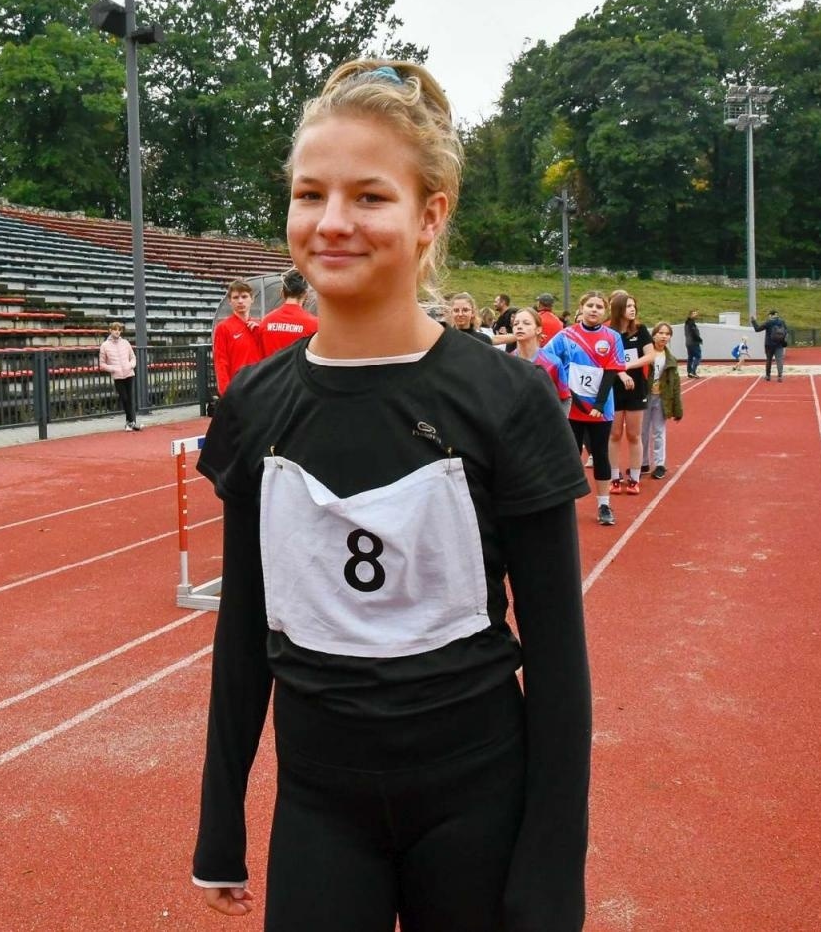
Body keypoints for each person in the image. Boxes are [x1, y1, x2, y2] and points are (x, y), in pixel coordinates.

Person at [193, 59, 591, 932]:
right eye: (310, 195)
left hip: (477, 803)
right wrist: (219, 823)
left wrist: (553, 874)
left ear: (429, 215)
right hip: (318, 807)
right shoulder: (258, 405)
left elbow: (560, 663)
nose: (332, 223)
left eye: (369, 197)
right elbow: (244, 627)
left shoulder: (505, 400)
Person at [544, 289, 629, 528]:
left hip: (601, 408)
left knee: (601, 455)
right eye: (589, 305)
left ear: (605, 311)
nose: (594, 310)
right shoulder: (566, 335)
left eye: (599, 306)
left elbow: (612, 370)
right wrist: (571, 397)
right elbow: (547, 360)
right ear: (581, 308)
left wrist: (599, 405)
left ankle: (603, 504)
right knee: (570, 455)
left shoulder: (612, 337)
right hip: (572, 407)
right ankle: (565, 504)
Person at [605, 290, 653, 496]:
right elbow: (604, 360)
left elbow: (650, 356)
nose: (632, 310)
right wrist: (620, 371)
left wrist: (628, 365)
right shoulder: (608, 332)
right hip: (613, 388)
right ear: (618, 310)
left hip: (636, 388)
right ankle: (614, 478)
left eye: (634, 306)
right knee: (614, 434)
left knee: (634, 434)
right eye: (628, 306)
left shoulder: (640, 331)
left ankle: (634, 478)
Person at [641, 323, 683, 481]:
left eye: (667, 333)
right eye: (661, 333)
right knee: (642, 431)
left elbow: (675, 385)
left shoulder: (671, 359)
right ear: (654, 335)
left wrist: (677, 408)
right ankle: (643, 462)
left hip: (662, 398)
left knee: (659, 431)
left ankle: (659, 464)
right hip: (644, 397)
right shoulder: (646, 354)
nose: (664, 336)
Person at [511, 307, 569, 415]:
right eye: (516, 324)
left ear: (538, 329)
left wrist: (560, 426)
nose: (519, 326)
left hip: (545, 426)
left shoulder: (553, 362)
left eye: (526, 323)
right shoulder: (507, 361)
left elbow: (565, 398)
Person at [213, 279, 263, 395]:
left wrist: (259, 333)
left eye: (244, 296)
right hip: (237, 390)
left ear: (252, 299)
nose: (240, 301)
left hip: (259, 387)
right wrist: (226, 393)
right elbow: (221, 363)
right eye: (236, 297)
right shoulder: (223, 328)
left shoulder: (260, 326)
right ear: (230, 301)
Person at [257, 270, 319, 358]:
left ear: (282, 293)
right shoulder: (314, 324)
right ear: (305, 294)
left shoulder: (266, 322)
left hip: (272, 371)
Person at [98, 321, 140, 431]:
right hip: (118, 376)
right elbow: (102, 364)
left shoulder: (125, 343)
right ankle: (132, 422)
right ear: (110, 330)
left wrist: (130, 365)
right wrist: (113, 369)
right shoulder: (104, 346)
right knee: (125, 398)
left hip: (129, 374)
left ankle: (129, 423)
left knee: (130, 399)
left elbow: (133, 357)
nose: (117, 332)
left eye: (119, 330)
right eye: (115, 329)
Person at [751, 308, 789, 382]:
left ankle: (768, 376)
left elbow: (757, 329)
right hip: (779, 344)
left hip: (769, 345)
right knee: (779, 361)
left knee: (769, 360)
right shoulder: (782, 322)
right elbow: (786, 332)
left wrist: (753, 321)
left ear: (771, 315)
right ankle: (780, 376)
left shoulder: (768, 322)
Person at [684, 309, 704, 379]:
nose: (696, 314)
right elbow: (694, 333)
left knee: (690, 357)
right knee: (698, 356)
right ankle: (693, 372)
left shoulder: (690, 322)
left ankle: (689, 372)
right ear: (690, 315)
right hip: (693, 342)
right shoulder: (690, 323)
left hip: (688, 343)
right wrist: (699, 339)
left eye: (696, 313)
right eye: (694, 313)